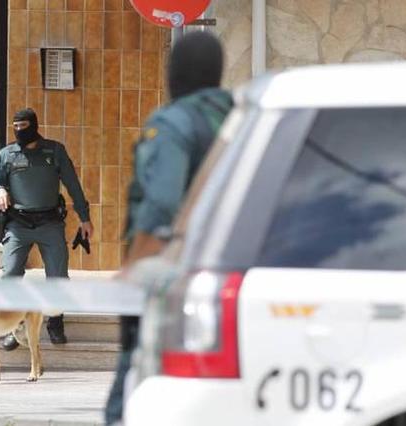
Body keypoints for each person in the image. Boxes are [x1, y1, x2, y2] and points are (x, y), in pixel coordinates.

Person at [104, 31, 234, 425]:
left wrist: (134, 265)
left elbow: (161, 203)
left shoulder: (174, 122)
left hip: (165, 275)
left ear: (173, 71)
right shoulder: (235, 117)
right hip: (217, 274)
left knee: (126, 399)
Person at [0, 108, 94, 350]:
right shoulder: (6, 154)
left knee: (57, 275)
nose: (19, 131)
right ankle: (12, 328)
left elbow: (72, 185)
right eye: (15, 127)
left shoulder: (54, 151)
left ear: (34, 126)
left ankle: (55, 322)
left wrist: (84, 218)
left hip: (49, 222)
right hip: (18, 223)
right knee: (10, 274)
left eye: (23, 126)